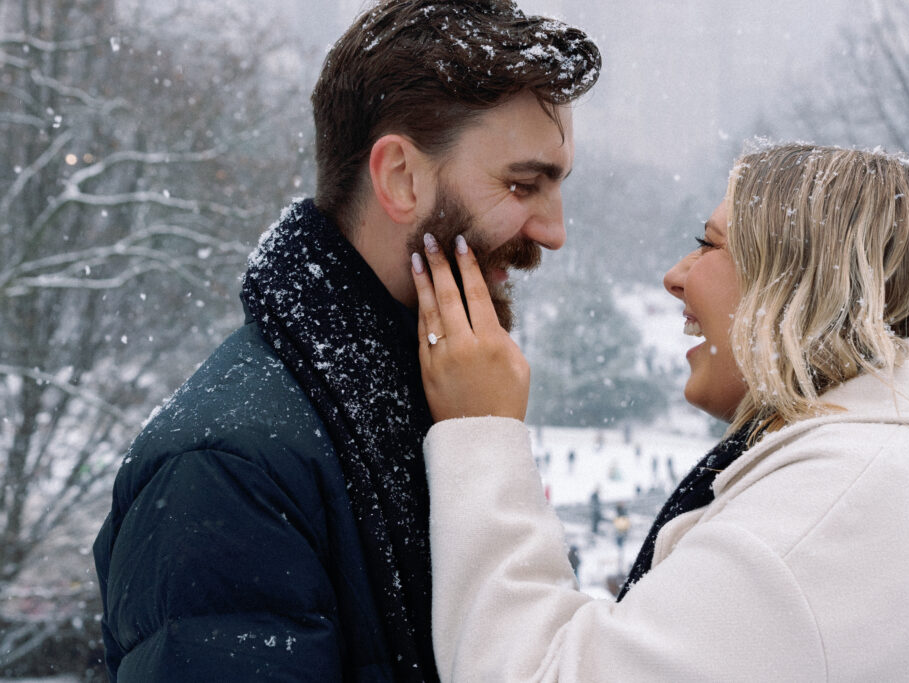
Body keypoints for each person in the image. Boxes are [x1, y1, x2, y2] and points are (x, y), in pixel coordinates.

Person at [92, 1, 600, 680]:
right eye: (523, 183)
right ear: (399, 177)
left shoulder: (422, 405)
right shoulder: (228, 468)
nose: (553, 229)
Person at [412, 143, 909, 680]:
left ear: (804, 283)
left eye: (709, 245)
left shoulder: (825, 514)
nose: (674, 277)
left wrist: (481, 434)